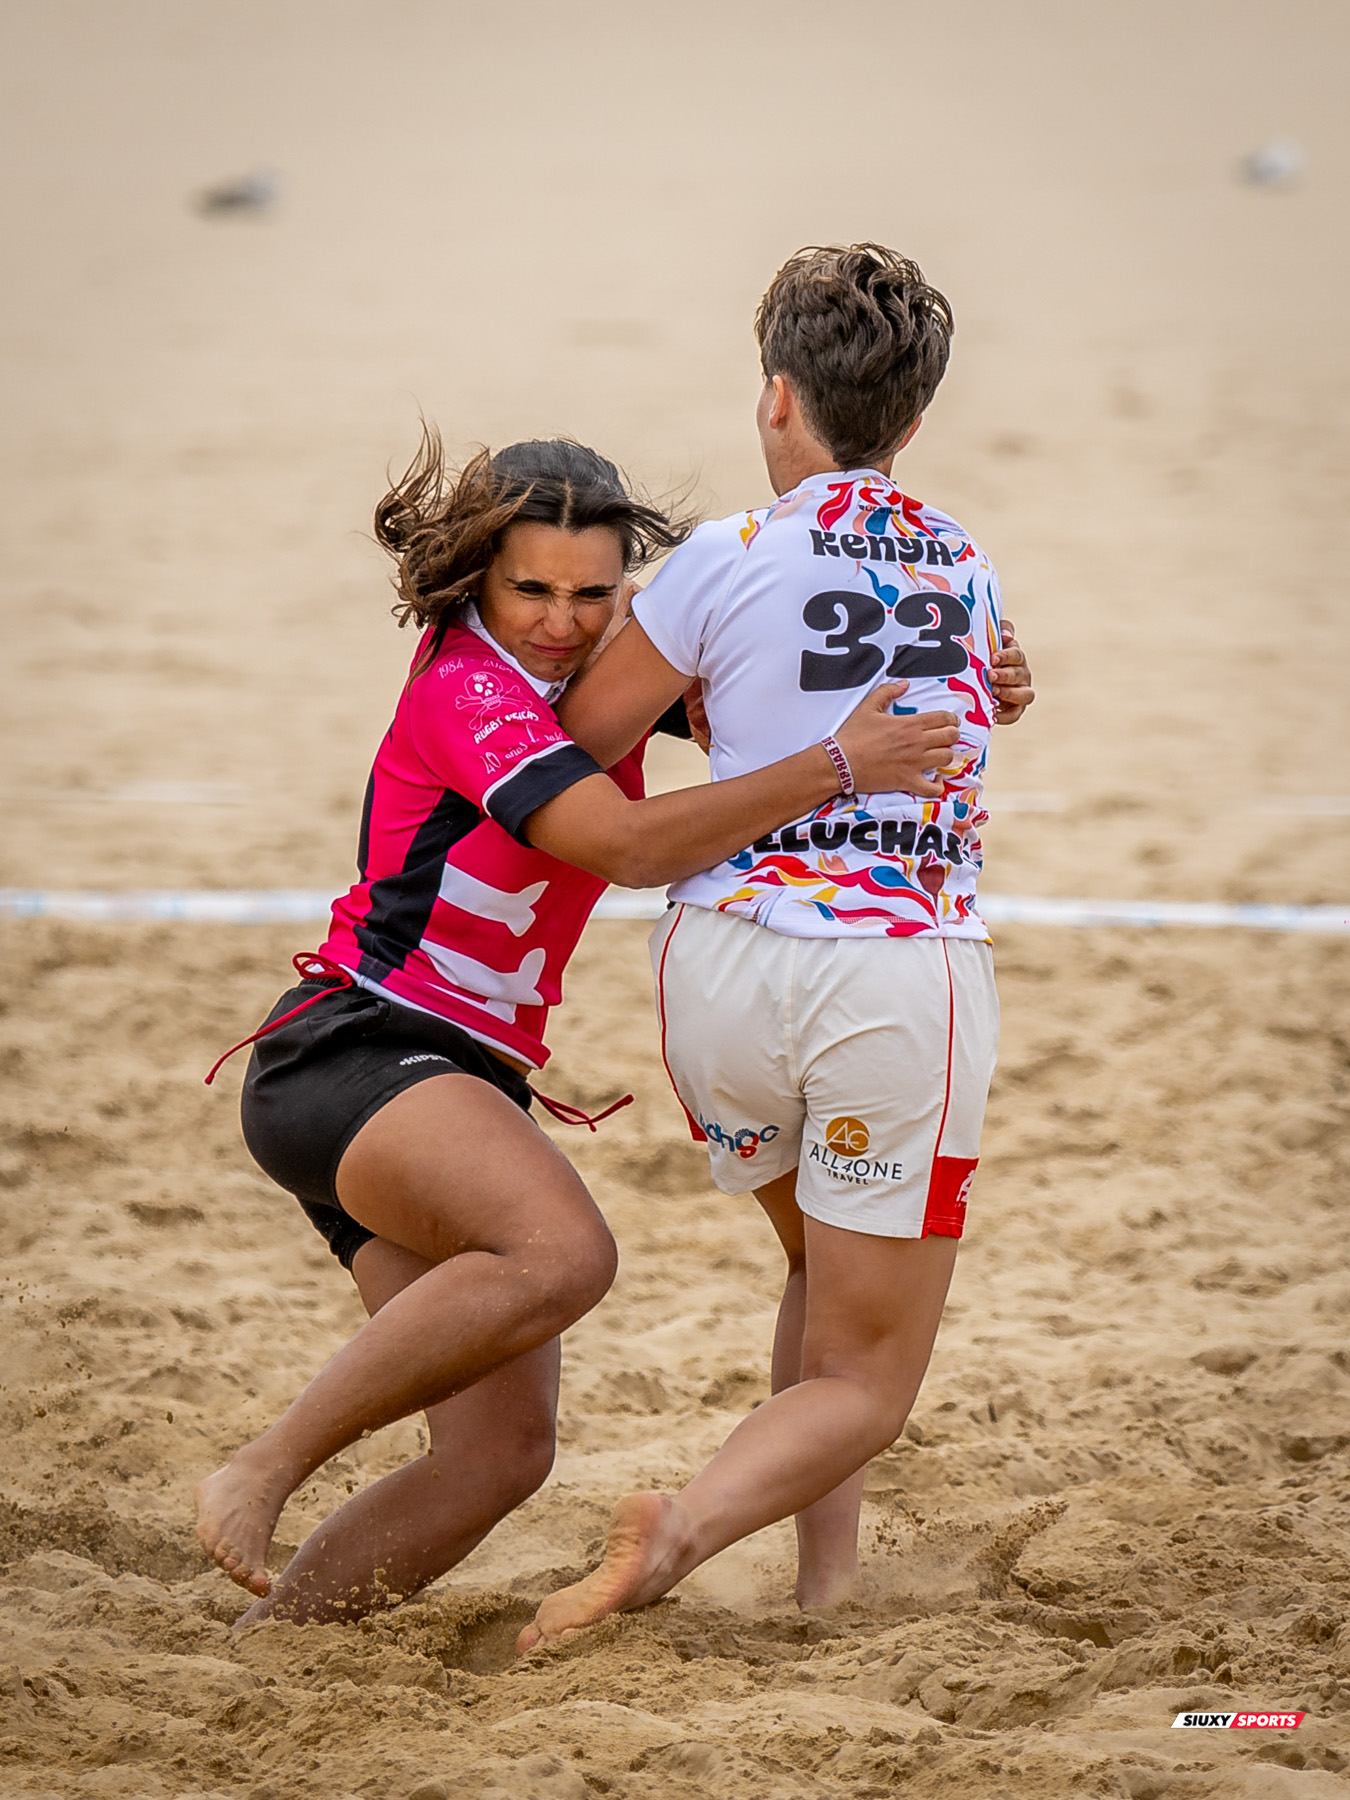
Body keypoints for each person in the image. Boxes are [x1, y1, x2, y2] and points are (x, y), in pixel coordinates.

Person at [193, 429, 981, 1624]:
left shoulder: (589, 673)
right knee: (564, 1255)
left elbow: (778, 690)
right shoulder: (467, 686)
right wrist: (836, 765)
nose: (561, 624)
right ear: (478, 578)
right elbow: (624, 847)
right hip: (354, 1047)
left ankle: (275, 1643)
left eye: (593, 595)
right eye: (532, 591)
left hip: (460, 1082)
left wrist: (977, 672)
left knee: (499, 1456)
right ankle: (263, 1468)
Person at [519, 243, 1033, 1649]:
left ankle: (827, 1586)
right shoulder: (963, 558)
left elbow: (581, 740)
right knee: (869, 1375)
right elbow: (977, 697)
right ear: (913, 421)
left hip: (722, 971)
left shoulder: (723, 557)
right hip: (893, 973)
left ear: (775, 398)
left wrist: (707, 693)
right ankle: (684, 1529)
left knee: (819, 1273)